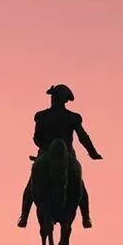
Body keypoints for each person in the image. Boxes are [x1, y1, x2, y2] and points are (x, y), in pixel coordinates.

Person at [18, 84, 102, 229]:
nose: (52, 98)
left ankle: (24, 216)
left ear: (56, 98)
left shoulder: (42, 116)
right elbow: (83, 137)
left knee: (31, 185)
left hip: (45, 153)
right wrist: (92, 152)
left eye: (53, 96)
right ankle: (86, 217)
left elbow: (36, 138)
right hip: (68, 156)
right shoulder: (72, 117)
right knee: (80, 186)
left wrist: (44, 148)